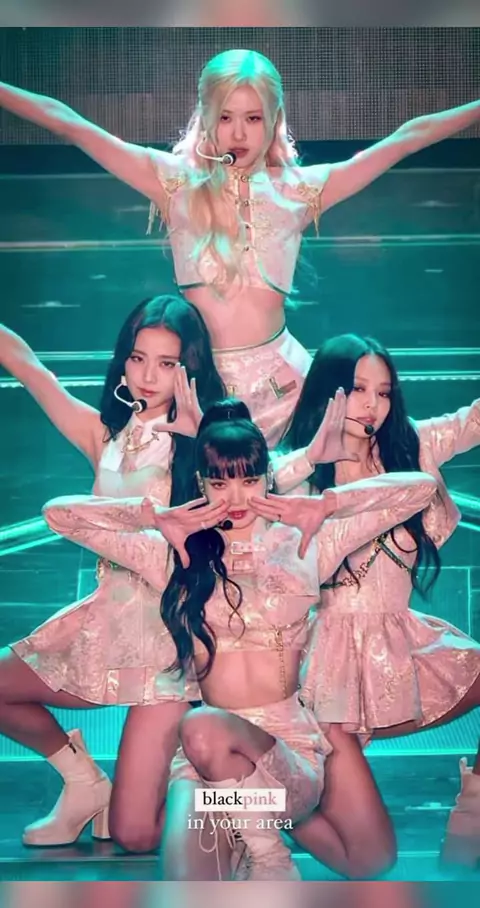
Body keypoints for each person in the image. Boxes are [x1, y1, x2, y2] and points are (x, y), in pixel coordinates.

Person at [41, 398, 438, 880]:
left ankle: (269, 856)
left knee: (202, 726)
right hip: (209, 773)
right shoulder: (174, 555)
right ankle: (255, 832)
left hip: (288, 761)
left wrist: (327, 504)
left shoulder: (306, 544)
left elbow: (420, 489)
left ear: (267, 478)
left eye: (249, 480)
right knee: (189, 881)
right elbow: (58, 515)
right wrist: (152, 517)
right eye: (220, 483)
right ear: (201, 484)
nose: (236, 497)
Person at [2, 50, 480, 443]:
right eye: (226, 117)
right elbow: (69, 123)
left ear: (274, 120)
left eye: (253, 118)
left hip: (288, 386)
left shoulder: (298, 190)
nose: (238, 132)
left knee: (372, 463)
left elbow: (405, 139)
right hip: (200, 385)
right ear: (206, 118)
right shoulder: (173, 183)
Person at [0, 294, 226, 851]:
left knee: (136, 834)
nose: (148, 376)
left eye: (167, 363)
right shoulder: (105, 437)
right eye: (138, 358)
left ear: (190, 368)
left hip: (170, 645)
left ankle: (264, 802)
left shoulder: (211, 442)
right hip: (106, 622)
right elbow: (29, 367)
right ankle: (84, 782)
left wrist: (202, 436)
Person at [280, 334, 480, 868]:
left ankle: (472, 814)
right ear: (328, 391)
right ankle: (251, 809)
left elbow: (472, 421)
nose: (372, 404)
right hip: (323, 670)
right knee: (372, 862)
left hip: (400, 647)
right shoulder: (297, 470)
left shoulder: (409, 445)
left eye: (384, 392)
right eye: (358, 389)